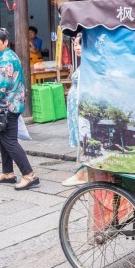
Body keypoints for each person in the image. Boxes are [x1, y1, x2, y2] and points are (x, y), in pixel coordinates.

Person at [0, 28, 40, 190]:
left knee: (10, 141)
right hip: (4, 106)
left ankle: (29, 175)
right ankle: (8, 173)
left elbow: (3, 85)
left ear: (5, 42)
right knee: (1, 138)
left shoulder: (6, 59)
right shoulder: (2, 56)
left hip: (7, 106)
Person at [62, 34, 87, 186]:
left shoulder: (90, 64)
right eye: (75, 44)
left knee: (83, 139)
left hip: (82, 106)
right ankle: (80, 172)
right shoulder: (83, 63)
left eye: (80, 44)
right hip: (75, 107)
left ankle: (81, 174)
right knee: (80, 139)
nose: (76, 47)